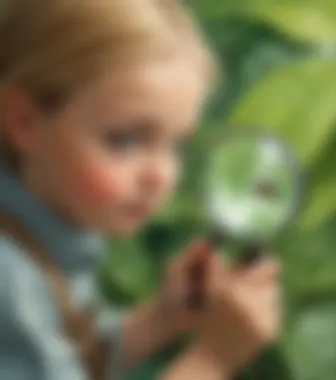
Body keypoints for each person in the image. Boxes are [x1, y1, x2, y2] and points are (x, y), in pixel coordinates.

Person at [0, 0, 280, 379]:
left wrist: (159, 319)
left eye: (177, 144)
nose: (161, 176)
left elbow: (63, 362)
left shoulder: (41, 234)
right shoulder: (11, 282)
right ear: (25, 121)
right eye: (125, 140)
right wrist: (211, 361)